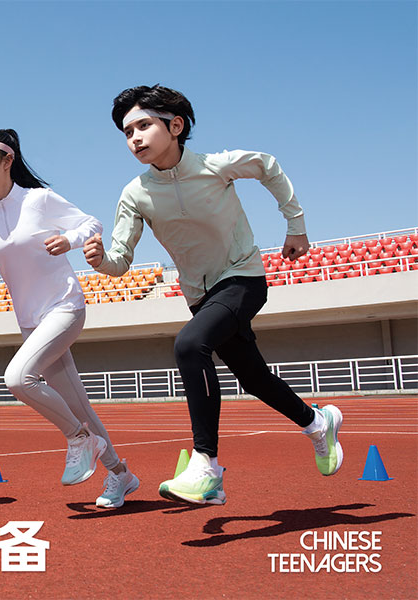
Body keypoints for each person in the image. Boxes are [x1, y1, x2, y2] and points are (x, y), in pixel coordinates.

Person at [84, 85, 342, 505]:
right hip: (199, 296)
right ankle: (317, 423)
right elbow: (120, 260)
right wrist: (100, 261)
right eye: (127, 132)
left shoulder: (215, 166)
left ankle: (206, 464)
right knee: (253, 377)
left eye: (144, 125)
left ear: (176, 126)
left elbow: (267, 165)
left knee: (190, 344)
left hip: (242, 277)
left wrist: (295, 225)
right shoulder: (135, 194)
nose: (134, 138)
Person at [0, 128, 139, 508]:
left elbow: (91, 223)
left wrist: (69, 240)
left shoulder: (38, 199)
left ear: (7, 160)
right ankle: (120, 474)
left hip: (64, 306)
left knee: (18, 378)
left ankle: (78, 438)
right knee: (80, 407)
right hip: (30, 321)